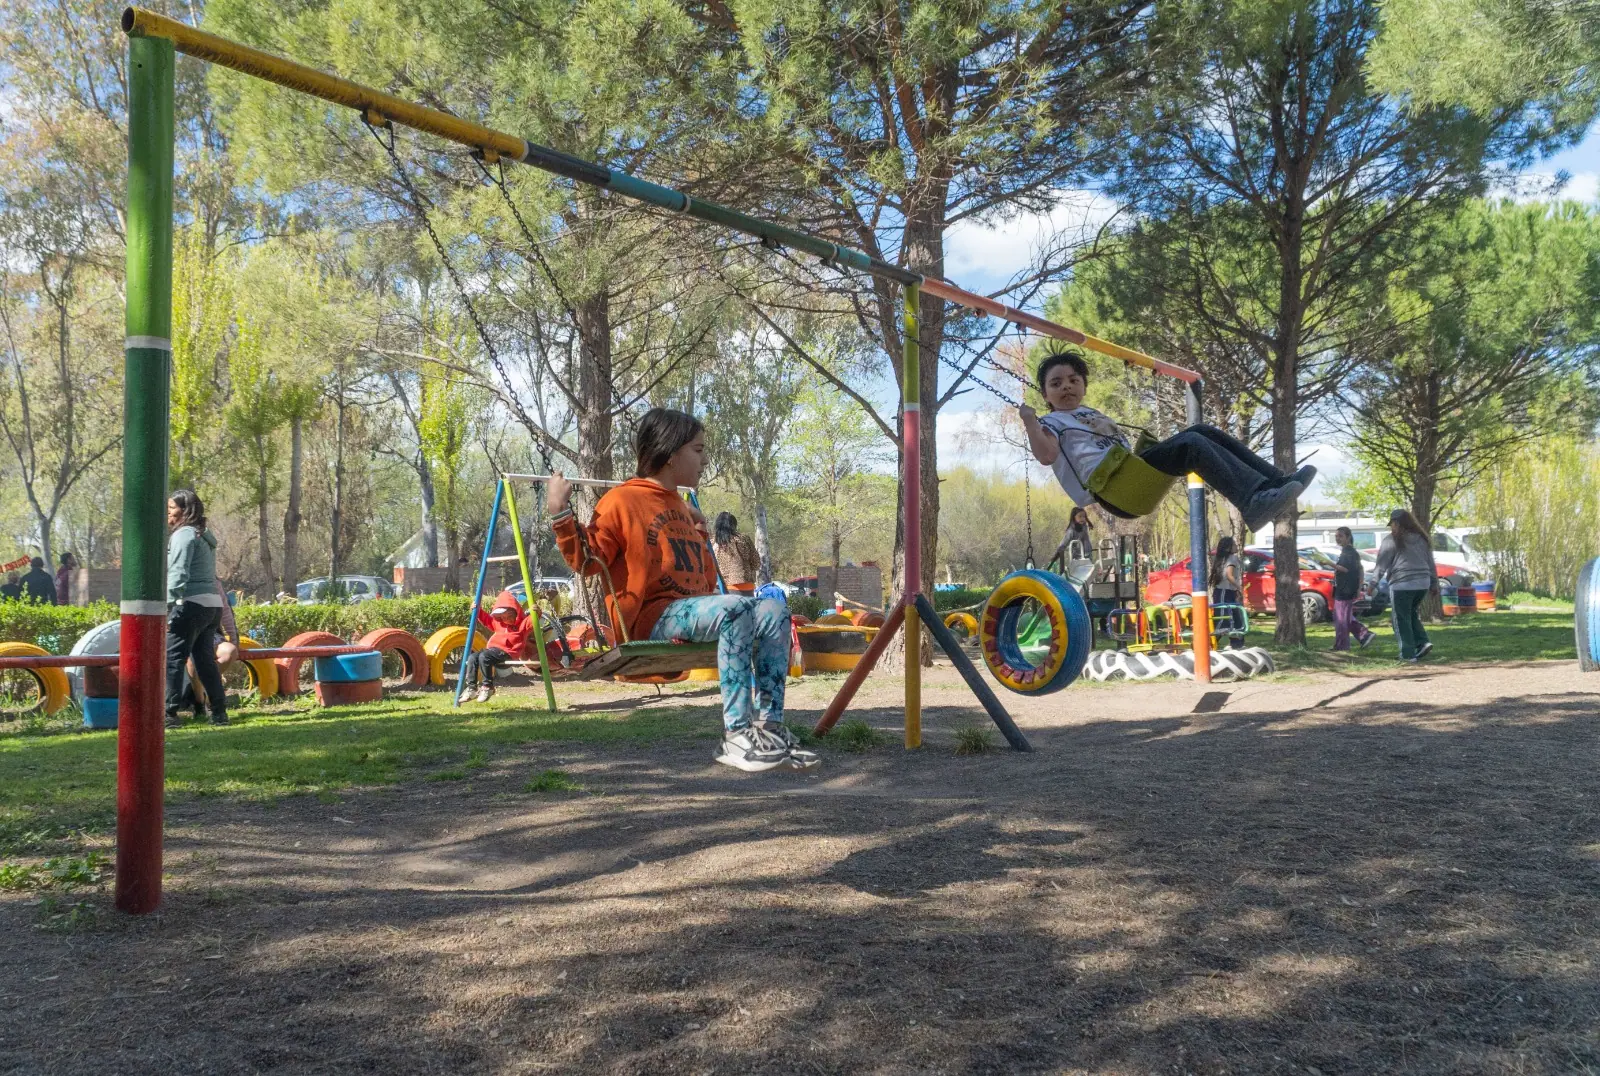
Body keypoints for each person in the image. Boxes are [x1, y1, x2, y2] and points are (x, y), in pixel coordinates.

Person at [550, 407, 816, 772]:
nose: (705, 459)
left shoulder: (682, 506)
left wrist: (702, 538)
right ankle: (737, 735)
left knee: (774, 609)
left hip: (692, 614)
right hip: (651, 618)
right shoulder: (621, 501)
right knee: (735, 608)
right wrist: (560, 512)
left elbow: (704, 582)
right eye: (698, 449)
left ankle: (769, 728)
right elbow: (586, 561)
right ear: (671, 453)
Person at [1020, 348, 1314, 530]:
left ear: (1084, 385)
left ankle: (1273, 482)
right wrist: (1030, 421)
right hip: (1114, 488)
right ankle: (1252, 503)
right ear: (1045, 394)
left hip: (1130, 472)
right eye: (1056, 383)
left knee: (1202, 432)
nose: (1066, 387)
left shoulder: (1089, 412)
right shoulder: (1050, 422)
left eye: (1074, 380)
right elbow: (1046, 456)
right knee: (1192, 446)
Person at [164, 489, 228, 728]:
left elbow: (178, 573)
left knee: (173, 658)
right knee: (205, 661)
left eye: (171, 508)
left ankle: (169, 715)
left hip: (191, 603)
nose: (168, 513)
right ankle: (220, 713)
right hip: (212, 606)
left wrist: (169, 605)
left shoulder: (184, 535)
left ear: (184, 510)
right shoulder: (204, 536)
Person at [1375, 509, 1438, 662]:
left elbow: (1382, 564)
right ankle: (1422, 642)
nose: (1392, 528)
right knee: (1410, 613)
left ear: (1397, 524)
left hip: (1402, 583)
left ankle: (1407, 653)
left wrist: (1372, 583)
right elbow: (1430, 562)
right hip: (1423, 582)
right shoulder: (1422, 538)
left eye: (1393, 524)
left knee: (1400, 618)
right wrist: (1434, 583)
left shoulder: (1392, 539)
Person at [463, 589, 535, 702]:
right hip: (493, 650)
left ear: (516, 612)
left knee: (484, 656)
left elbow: (532, 621)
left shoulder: (522, 624)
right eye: (503, 617)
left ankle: (488, 686)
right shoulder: (498, 623)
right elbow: (487, 620)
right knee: (472, 657)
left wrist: (536, 612)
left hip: (508, 652)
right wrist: (477, 611)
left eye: (510, 616)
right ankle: (471, 687)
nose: (507, 620)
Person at [1331, 526, 1375, 652]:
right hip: (1346, 589)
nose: (1337, 539)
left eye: (1340, 536)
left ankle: (1345, 645)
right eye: (1336, 536)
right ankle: (1364, 635)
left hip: (1345, 590)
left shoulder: (1349, 552)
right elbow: (1360, 570)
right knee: (1343, 617)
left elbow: (1344, 569)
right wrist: (1359, 587)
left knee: (1341, 619)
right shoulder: (1351, 552)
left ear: (1348, 537)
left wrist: (1328, 563)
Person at [1207, 535, 1247, 649]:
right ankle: (1209, 643)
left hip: (1227, 592)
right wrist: (1239, 588)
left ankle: (1237, 643)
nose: (1236, 546)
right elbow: (1229, 576)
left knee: (1235, 618)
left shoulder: (1226, 558)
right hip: (1224, 592)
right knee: (1223, 619)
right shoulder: (1232, 558)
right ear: (1228, 548)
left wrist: (1235, 590)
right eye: (1233, 544)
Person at [711, 512, 761, 593]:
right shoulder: (743, 539)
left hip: (718, 588)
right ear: (734, 525)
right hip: (743, 588)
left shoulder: (712, 543)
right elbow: (756, 563)